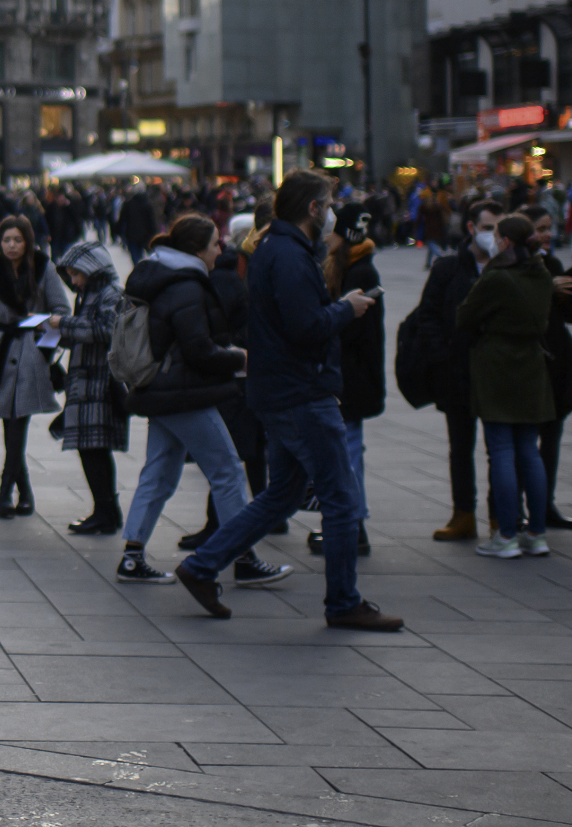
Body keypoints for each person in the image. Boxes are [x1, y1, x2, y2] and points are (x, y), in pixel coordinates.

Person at [175, 169, 400, 631]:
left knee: (283, 494)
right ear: (314, 210)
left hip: (279, 389)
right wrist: (346, 309)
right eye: (329, 204)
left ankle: (202, 565)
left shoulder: (275, 249)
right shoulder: (291, 256)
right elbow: (305, 327)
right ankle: (343, 601)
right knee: (339, 499)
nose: (334, 212)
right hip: (301, 392)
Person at [115, 215, 290, 589]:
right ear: (197, 250)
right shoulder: (187, 285)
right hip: (185, 394)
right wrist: (240, 359)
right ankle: (243, 557)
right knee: (227, 471)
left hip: (161, 390)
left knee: (158, 474)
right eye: (215, 244)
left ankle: (132, 557)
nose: (221, 249)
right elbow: (197, 350)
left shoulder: (161, 275)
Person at [455, 214, 556, 559]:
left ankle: (507, 534)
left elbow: (464, 317)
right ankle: (537, 533)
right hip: (531, 364)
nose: (494, 241)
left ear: (506, 242)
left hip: (497, 364)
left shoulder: (496, 277)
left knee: (500, 450)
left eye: (497, 236)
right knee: (529, 449)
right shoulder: (541, 273)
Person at [408, 198, 506, 540]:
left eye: (499, 228)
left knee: (500, 449)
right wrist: (442, 358)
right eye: (488, 228)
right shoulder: (448, 268)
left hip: (497, 374)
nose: (494, 236)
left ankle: (500, 517)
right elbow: (428, 315)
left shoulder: (509, 266)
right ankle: (463, 513)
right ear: (471, 229)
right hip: (457, 372)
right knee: (460, 448)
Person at [0, 216, 69, 519]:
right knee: (10, 426)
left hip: (30, 354)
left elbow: (61, 311)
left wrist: (46, 349)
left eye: (17, 240)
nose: (11, 246)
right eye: (6, 240)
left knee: (17, 424)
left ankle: (4, 494)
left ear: (28, 241)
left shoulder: (43, 267)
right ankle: (24, 494)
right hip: (0, 353)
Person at [307, 204, 383, 557]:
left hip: (350, 378)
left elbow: (351, 332)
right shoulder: (352, 267)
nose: (325, 237)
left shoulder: (358, 273)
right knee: (349, 451)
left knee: (348, 452)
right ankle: (352, 526)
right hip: (350, 376)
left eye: (331, 232)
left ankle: (352, 527)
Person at [524, 208, 572, 529]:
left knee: (552, 435)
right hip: (529, 361)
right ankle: (516, 508)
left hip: (557, 358)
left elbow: (564, 313)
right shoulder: (515, 267)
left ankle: (545, 505)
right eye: (539, 228)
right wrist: (546, 288)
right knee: (524, 440)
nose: (546, 234)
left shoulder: (553, 264)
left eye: (548, 228)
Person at [51, 240, 128, 534]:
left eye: (76, 274)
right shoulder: (88, 294)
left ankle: (106, 512)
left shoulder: (110, 294)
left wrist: (64, 325)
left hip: (101, 383)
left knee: (94, 448)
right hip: (85, 381)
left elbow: (108, 330)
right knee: (89, 448)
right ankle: (105, 510)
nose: (73, 280)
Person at [118, 186, 158, 265]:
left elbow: (122, 219)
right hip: (145, 234)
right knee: (142, 253)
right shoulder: (147, 205)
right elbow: (151, 220)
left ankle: (137, 267)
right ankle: (141, 267)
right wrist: (153, 232)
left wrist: (119, 231)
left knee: (134, 255)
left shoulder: (128, 204)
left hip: (131, 234)